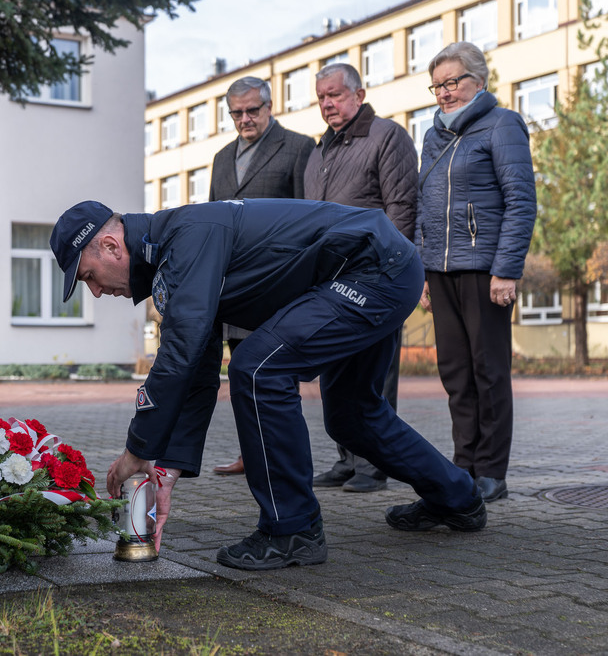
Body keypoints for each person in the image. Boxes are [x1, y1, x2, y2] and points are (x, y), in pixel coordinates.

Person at [49, 198, 486, 571]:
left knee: (258, 368)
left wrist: (137, 449)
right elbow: (197, 366)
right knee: (353, 417)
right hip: (379, 268)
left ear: (109, 245)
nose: (97, 292)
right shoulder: (171, 257)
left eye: (88, 277)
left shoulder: (187, 239)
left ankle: (293, 529)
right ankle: (458, 498)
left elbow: (180, 353)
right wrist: (167, 464)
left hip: (371, 269)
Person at [416, 42, 536, 503]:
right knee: (454, 373)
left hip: (485, 270)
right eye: (437, 85)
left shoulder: (502, 124)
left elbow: (521, 201)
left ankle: (491, 470)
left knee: (489, 370)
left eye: (452, 82)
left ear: (478, 80)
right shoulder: (433, 137)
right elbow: (424, 210)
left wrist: (506, 269)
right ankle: (462, 464)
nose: (444, 92)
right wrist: (421, 269)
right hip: (440, 270)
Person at [304, 63, 419, 493]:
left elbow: (402, 207)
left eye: (334, 94)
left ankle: (375, 466)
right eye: (321, 97)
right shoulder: (320, 151)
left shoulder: (387, 136)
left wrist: (391, 273)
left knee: (374, 378)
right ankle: (347, 460)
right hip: (330, 283)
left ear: (359, 93)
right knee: (337, 372)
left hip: (375, 279)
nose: (328, 104)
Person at [209, 76, 315, 476]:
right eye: (236, 112)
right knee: (241, 373)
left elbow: (310, 216)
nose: (245, 119)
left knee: (276, 376)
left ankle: (284, 461)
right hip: (236, 287)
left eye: (253, 110)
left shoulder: (300, 147)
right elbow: (211, 221)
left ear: (270, 107)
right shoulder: (221, 158)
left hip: (278, 284)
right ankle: (250, 454)